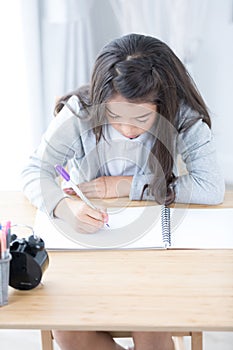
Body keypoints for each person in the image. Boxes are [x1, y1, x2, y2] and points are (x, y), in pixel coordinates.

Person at [21, 33, 225, 350]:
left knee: (150, 326)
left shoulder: (183, 117)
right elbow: (35, 170)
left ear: (164, 105)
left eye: (143, 118)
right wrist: (64, 208)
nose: (128, 130)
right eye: (115, 116)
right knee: (68, 329)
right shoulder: (79, 112)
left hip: (154, 253)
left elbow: (210, 187)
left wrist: (127, 185)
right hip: (90, 248)